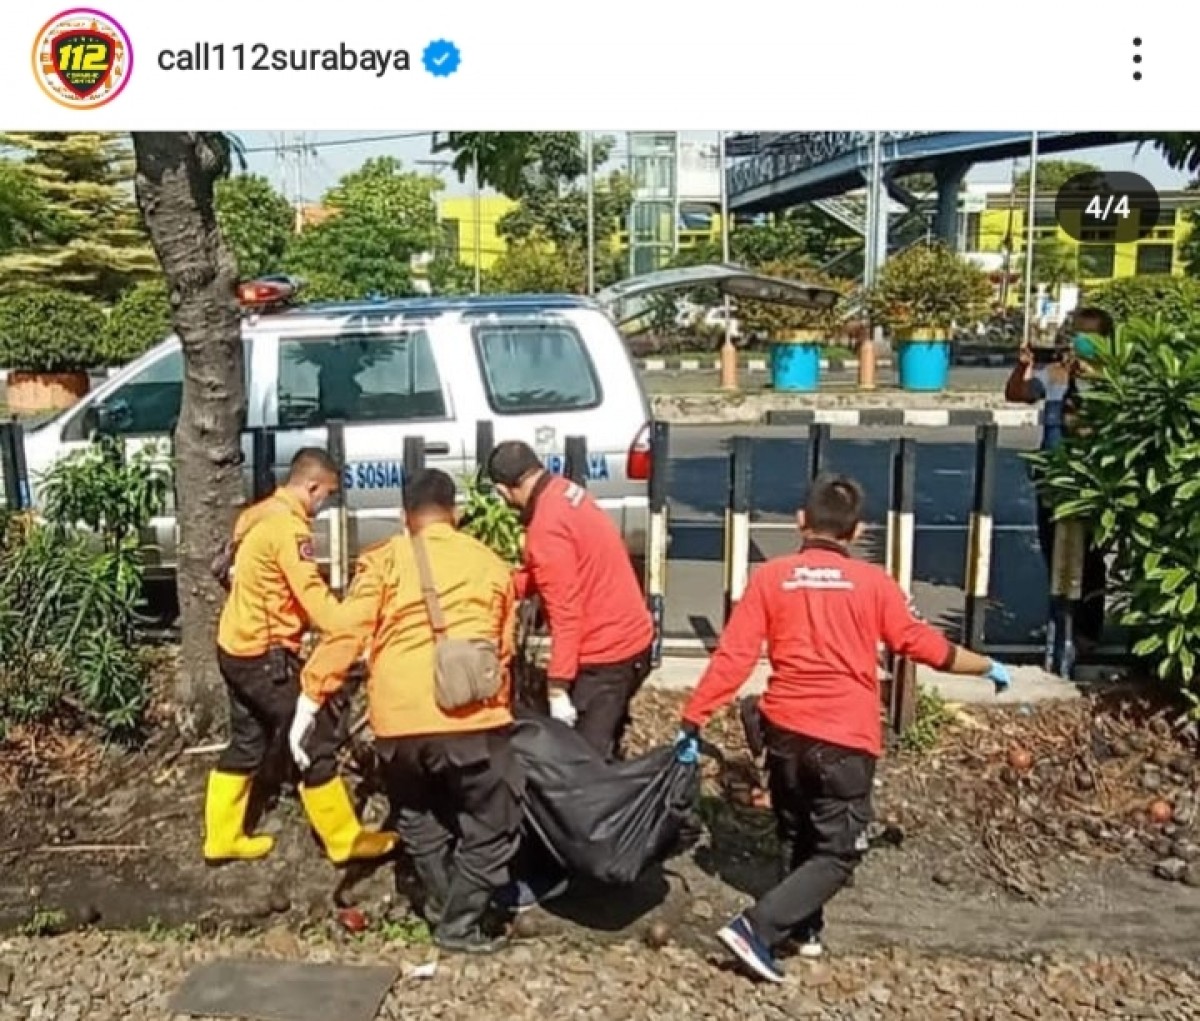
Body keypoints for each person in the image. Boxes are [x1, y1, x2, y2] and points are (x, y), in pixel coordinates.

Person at [673, 476, 1014, 984]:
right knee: (838, 853)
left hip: (784, 731)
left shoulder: (771, 578)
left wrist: (693, 718)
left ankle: (803, 930)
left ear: (800, 522)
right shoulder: (875, 584)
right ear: (856, 532)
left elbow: (735, 657)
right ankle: (756, 928)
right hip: (844, 738)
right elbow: (920, 644)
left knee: (795, 831)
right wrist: (985, 666)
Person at [295, 469, 523, 953]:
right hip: (472, 721)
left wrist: (311, 696)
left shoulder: (385, 560)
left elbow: (347, 631)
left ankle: (442, 905)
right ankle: (459, 923)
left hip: (397, 721)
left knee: (416, 815)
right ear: (456, 513)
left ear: (404, 518)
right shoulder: (490, 563)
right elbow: (503, 650)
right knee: (493, 822)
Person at [203, 447, 396, 866]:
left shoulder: (257, 514)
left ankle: (222, 838)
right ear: (311, 486)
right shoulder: (289, 532)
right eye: (325, 495)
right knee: (316, 735)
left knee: (249, 739)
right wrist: (357, 629)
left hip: (234, 646)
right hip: (263, 655)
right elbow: (317, 602)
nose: (324, 504)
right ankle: (344, 840)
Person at [485, 441, 655, 762]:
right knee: (600, 750)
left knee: (584, 764)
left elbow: (566, 613)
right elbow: (555, 571)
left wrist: (557, 687)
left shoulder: (545, 529)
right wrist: (505, 586)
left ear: (504, 490)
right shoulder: (565, 493)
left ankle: (606, 805)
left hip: (606, 657)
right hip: (631, 641)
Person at [1004, 306, 1111, 649]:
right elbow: (1017, 394)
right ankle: (1058, 628)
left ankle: (1087, 631)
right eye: (1074, 332)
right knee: (1054, 554)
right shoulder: (1054, 374)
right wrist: (1024, 366)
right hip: (1054, 478)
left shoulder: (1113, 381)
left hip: (1095, 482)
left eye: (1086, 335)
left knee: (1090, 559)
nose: (1077, 340)